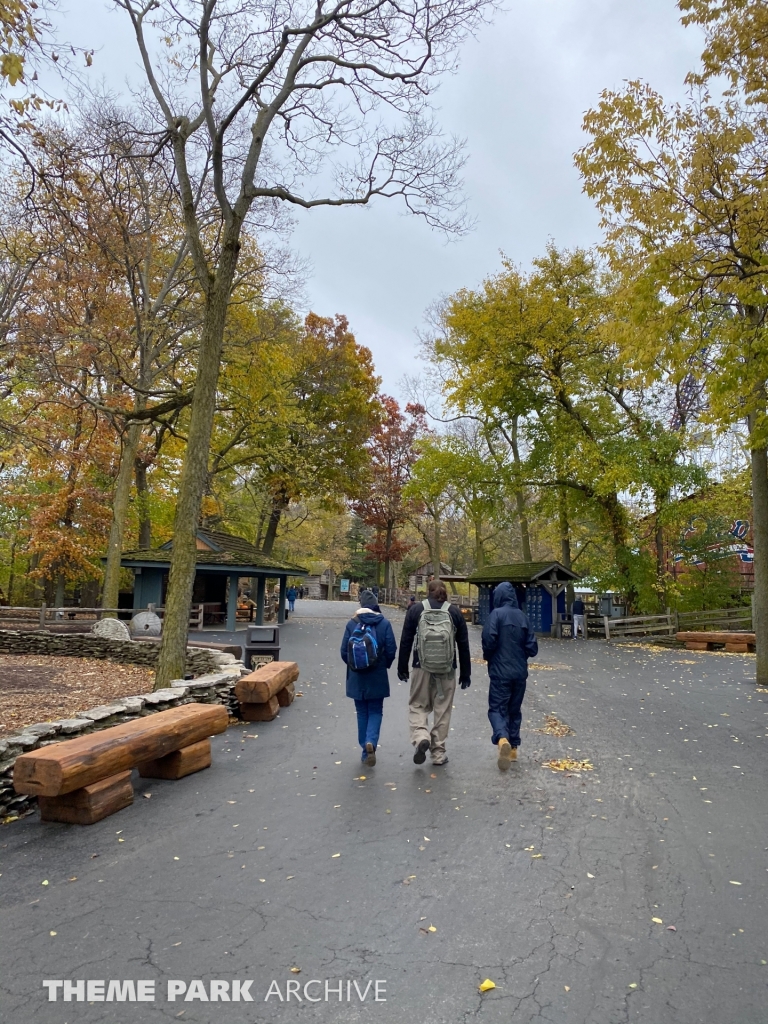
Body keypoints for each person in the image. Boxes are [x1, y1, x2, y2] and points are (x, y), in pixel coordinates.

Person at [397, 579, 471, 766]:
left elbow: (406, 640)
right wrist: (465, 673)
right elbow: (463, 645)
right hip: (446, 669)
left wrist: (402, 667)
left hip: (421, 666)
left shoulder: (416, 610)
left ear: (427, 592)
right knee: (442, 710)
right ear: (445, 592)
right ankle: (438, 754)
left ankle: (422, 736)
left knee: (417, 705)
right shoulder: (454, 612)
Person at [481, 582, 538, 771]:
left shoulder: (495, 615)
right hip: (519, 672)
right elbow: (532, 648)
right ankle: (513, 749)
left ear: (498, 597)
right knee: (514, 710)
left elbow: (489, 641)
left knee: (497, 708)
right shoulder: (523, 617)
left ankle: (502, 738)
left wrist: (490, 657)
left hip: (500, 671)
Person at [340, 590, 397, 767]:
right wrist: (382, 666)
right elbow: (391, 649)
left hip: (356, 677)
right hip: (377, 675)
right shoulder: (384, 623)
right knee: (375, 710)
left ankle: (365, 748)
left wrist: (354, 666)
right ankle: (371, 741)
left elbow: (344, 651)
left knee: (362, 711)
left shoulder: (352, 623)